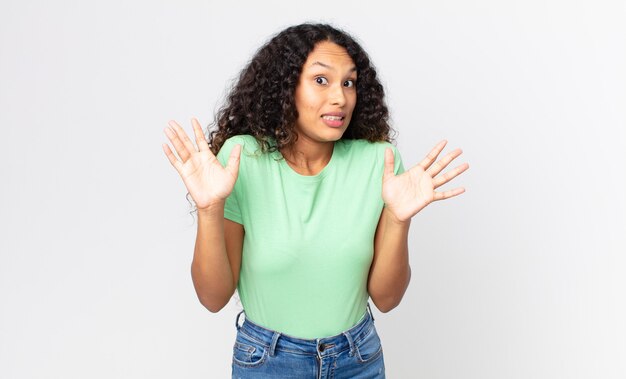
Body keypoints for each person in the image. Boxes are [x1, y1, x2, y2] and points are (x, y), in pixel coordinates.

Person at [162, 23, 468, 378]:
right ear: (285, 86)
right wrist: (209, 209)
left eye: (348, 82)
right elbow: (213, 298)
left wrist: (399, 220)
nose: (340, 97)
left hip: (358, 359)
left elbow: (387, 299)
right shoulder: (242, 158)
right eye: (321, 80)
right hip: (268, 362)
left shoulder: (377, 161)